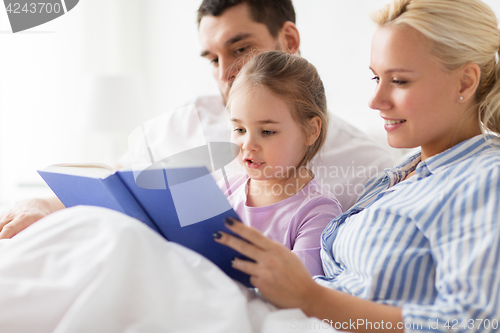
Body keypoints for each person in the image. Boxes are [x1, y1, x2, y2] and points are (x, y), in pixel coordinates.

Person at [0, 0, 394, 240]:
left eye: (240, 49)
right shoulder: (180, 124)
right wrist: (43, 203)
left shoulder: (363, 163)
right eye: (212, 58)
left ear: (288, 40)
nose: (226, 73)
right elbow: (116, 184)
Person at [215, 0, 500, 331]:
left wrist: (311, 298)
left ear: (465, 82)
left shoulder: (485, 177)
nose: (375, 101)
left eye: (400, 81)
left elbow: (475, 322)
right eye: (376, 78)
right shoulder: (398, 176)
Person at [220, 51, 342, 276]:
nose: (248, 144)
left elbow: (300, 289)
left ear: (311, 130)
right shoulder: (223, 191)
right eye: (239, 129)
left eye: (267, 131)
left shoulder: (317, 212)